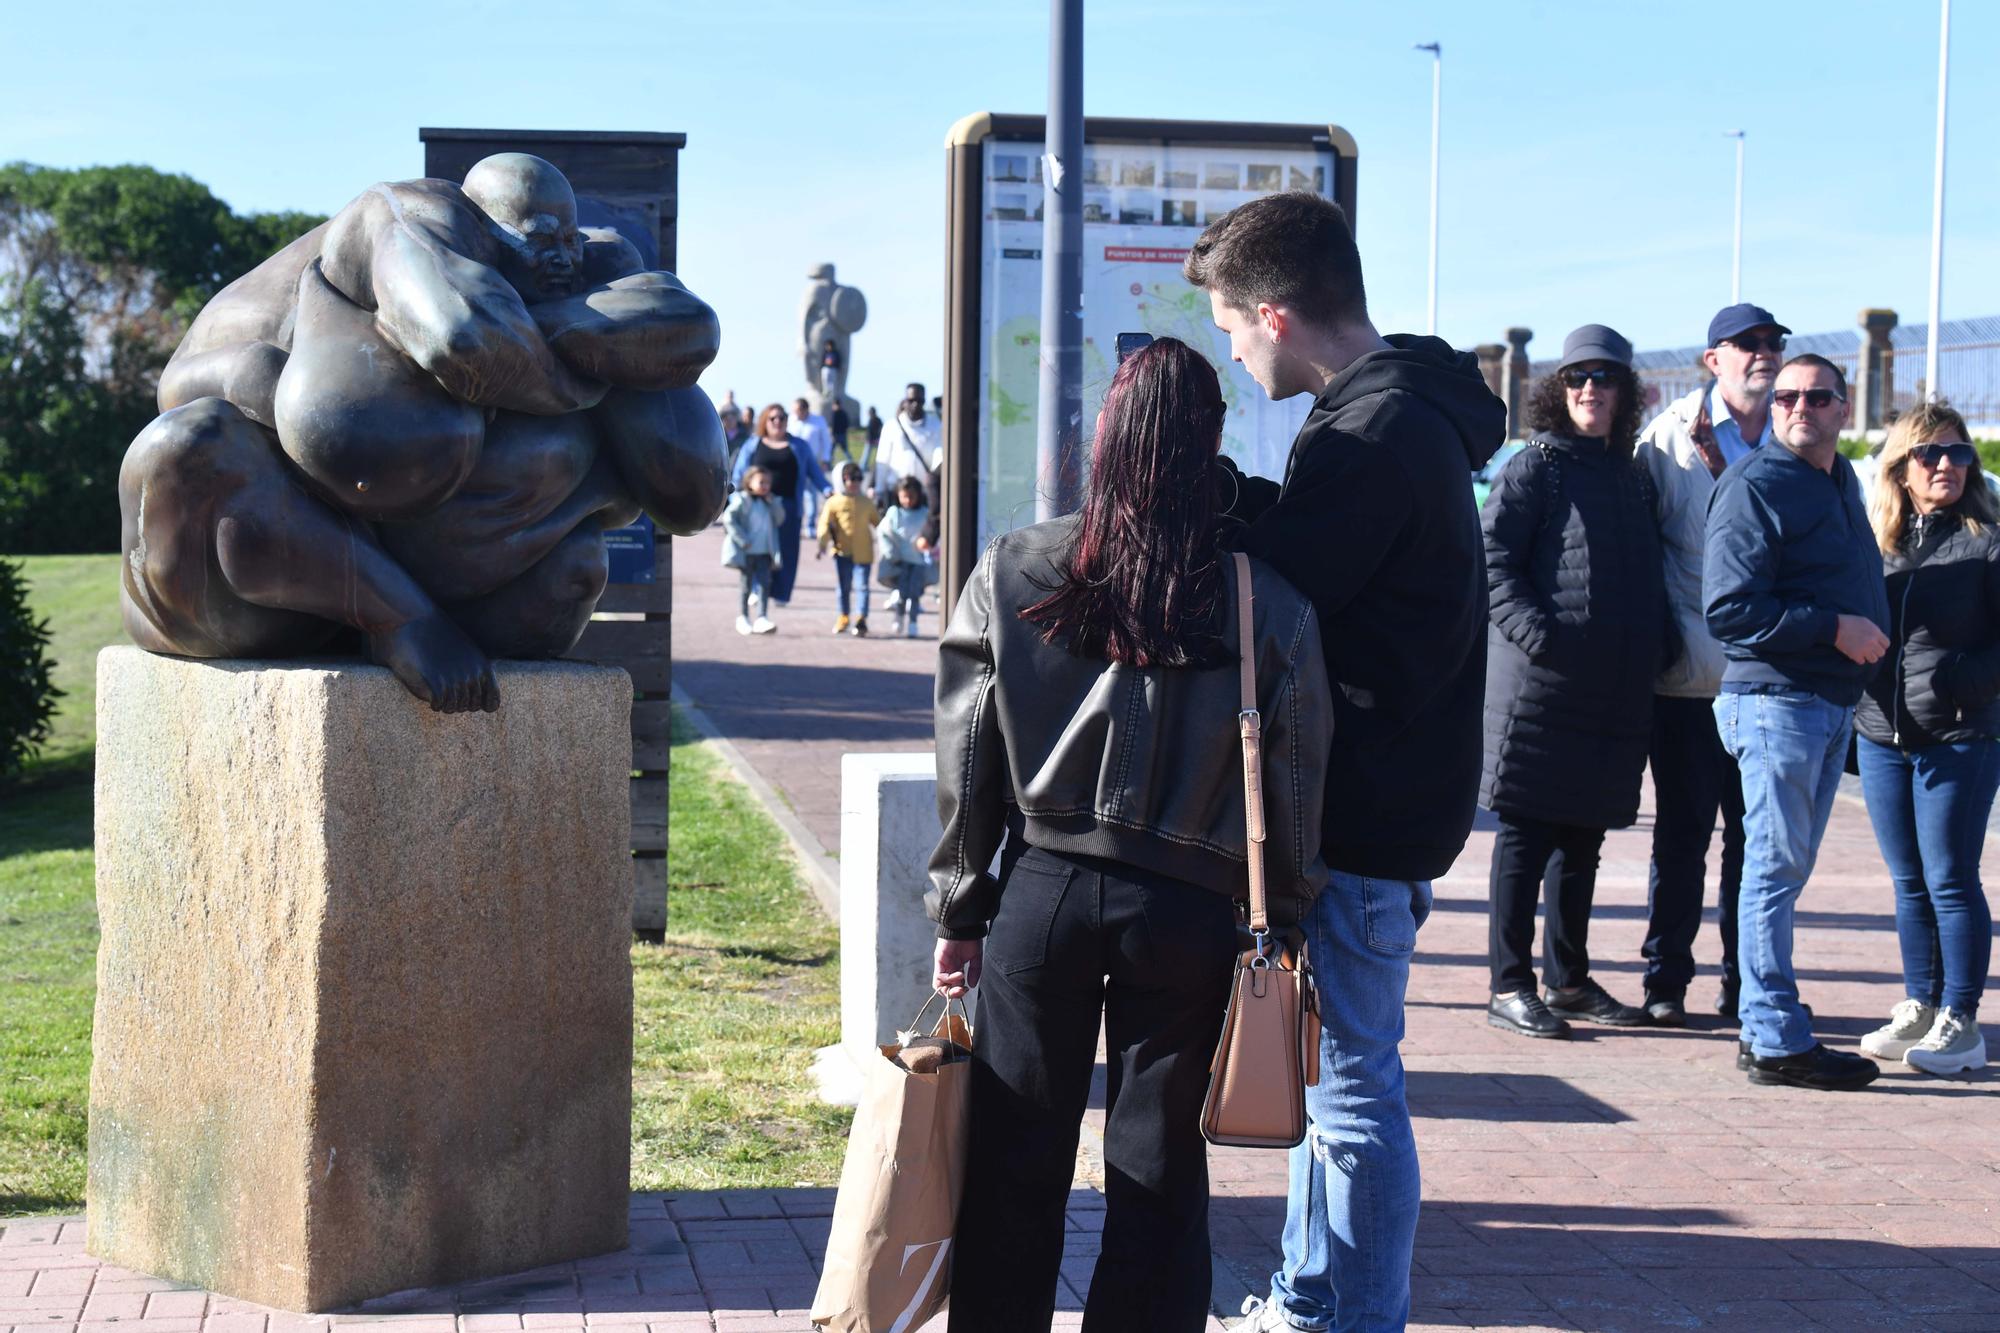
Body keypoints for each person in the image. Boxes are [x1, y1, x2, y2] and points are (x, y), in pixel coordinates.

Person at [928, 337, 1334, 1333]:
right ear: (1211, 442)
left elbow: (968, 752)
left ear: (1102, 434)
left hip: (1044, 886)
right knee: (1158, 1168)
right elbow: (1292, 772)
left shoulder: (1019, 566)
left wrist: (959, 901)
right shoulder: (1260, 600)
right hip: (1191, 907)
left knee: (1015, 1156)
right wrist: (1283, 912)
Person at [1184, 191, 1505, 1331]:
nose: (1227, 345)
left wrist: (1204, 514)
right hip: (1390, 796)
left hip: (1360, 810)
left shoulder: (1369, 435)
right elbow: (1320, 558)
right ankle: (1312, 1298)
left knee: (1352, 1087)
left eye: (1227, 324)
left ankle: (1347, 1317)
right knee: (1329, 1083)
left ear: (1272, 312)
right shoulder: (1401, 411)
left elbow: (1282, 588)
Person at [1704, 353, 1889, 1091]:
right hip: (1776, 703)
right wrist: (1834, 628)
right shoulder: (1755, 485)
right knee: (1773, 872)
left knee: (1784, 871)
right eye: (1785, 397)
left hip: (1825, 704)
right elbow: (1728, 609)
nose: (1798, 408)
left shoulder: (1840, 479)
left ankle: (1766, 1024)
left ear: (1845, 408)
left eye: (1817, 397)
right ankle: (1776, 1035)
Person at [1481, 326, 1667, 1039]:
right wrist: (1540, 636)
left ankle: (1567, 978)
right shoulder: (1538, 466)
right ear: (1558, 392)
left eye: (1606, 377)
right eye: (1578, 377)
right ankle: (1508, 981)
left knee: (1582, 838)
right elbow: (1492, 559)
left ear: (1627, 393)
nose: (1592, 389)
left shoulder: (1629, 474)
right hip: (1543, 687)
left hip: (1613, 689)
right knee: (1526, 834)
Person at [1635, 303, 1790, 1024]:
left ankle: (1744, 981)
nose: (1764, 354)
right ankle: (1665, 981)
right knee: (1682, 838)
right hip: (1690, 680)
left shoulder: (1795, 438)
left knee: (1756, 843)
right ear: (1713, 360)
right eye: (1748, 344)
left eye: (1773, 343)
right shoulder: (1666, 444)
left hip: (1768, 679)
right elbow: (1640, 549)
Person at [1854, 402, 1996, 1076]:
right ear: (1901, 468)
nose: (1947, 465)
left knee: (1949, 877)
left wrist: (1964, 682)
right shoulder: (1879, 539)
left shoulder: (1989, 538)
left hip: (1960, 734)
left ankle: (1960, 1020)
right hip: (1883, 732)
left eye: (1960, 453)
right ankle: (1920, 1001)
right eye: (1931, 454)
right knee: (1908, 881)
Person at [731, 404, 831, 604]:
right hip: (758, 507)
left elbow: (814, 472)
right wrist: (732, 498)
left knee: (787, 551)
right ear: (764, 421)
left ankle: (781, 593)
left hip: (788, 506)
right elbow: (739, 474)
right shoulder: (753, 444)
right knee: (759, 549)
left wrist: (828, 490)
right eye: (773, 418)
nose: (778, 422)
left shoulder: (799, 446)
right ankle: (758, 588)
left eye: (782, 418)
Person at [815, 462, 879, 635]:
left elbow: (878, 523)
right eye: (851, 479)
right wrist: (822, 543)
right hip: (842, 551)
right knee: (843, 587)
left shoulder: (866, 502)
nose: (855, 483)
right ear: (842, 480)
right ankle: (843, 616)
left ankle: (861, 619)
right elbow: (825, 524)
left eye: (859, 479)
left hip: (864, 552)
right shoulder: (833, 502)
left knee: (863, 586)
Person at [720, 465, 782, 635]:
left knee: (764, 585)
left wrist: (774, 504)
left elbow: (780, 519)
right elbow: (729, 519)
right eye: (761, 482)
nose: (765, 486)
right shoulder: (742, 500)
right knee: (746, 586)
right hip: (746, 552)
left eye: (768, 483)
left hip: (764, 552)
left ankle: (762, 617)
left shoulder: (771, 501)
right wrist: (742, 540)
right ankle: (743, 617)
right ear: (749, 482)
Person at [875, 475, 932, 638]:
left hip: (919, 562)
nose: (907, 500)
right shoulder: (894, 513)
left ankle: (913, 622)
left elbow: (932, 535)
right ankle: (899, 617)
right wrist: (890, 552)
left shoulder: (924, 513)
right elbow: (884, 531)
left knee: (914, 594)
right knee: (901, 593)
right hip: (900, 561)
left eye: (911, 497)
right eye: (904, 497)